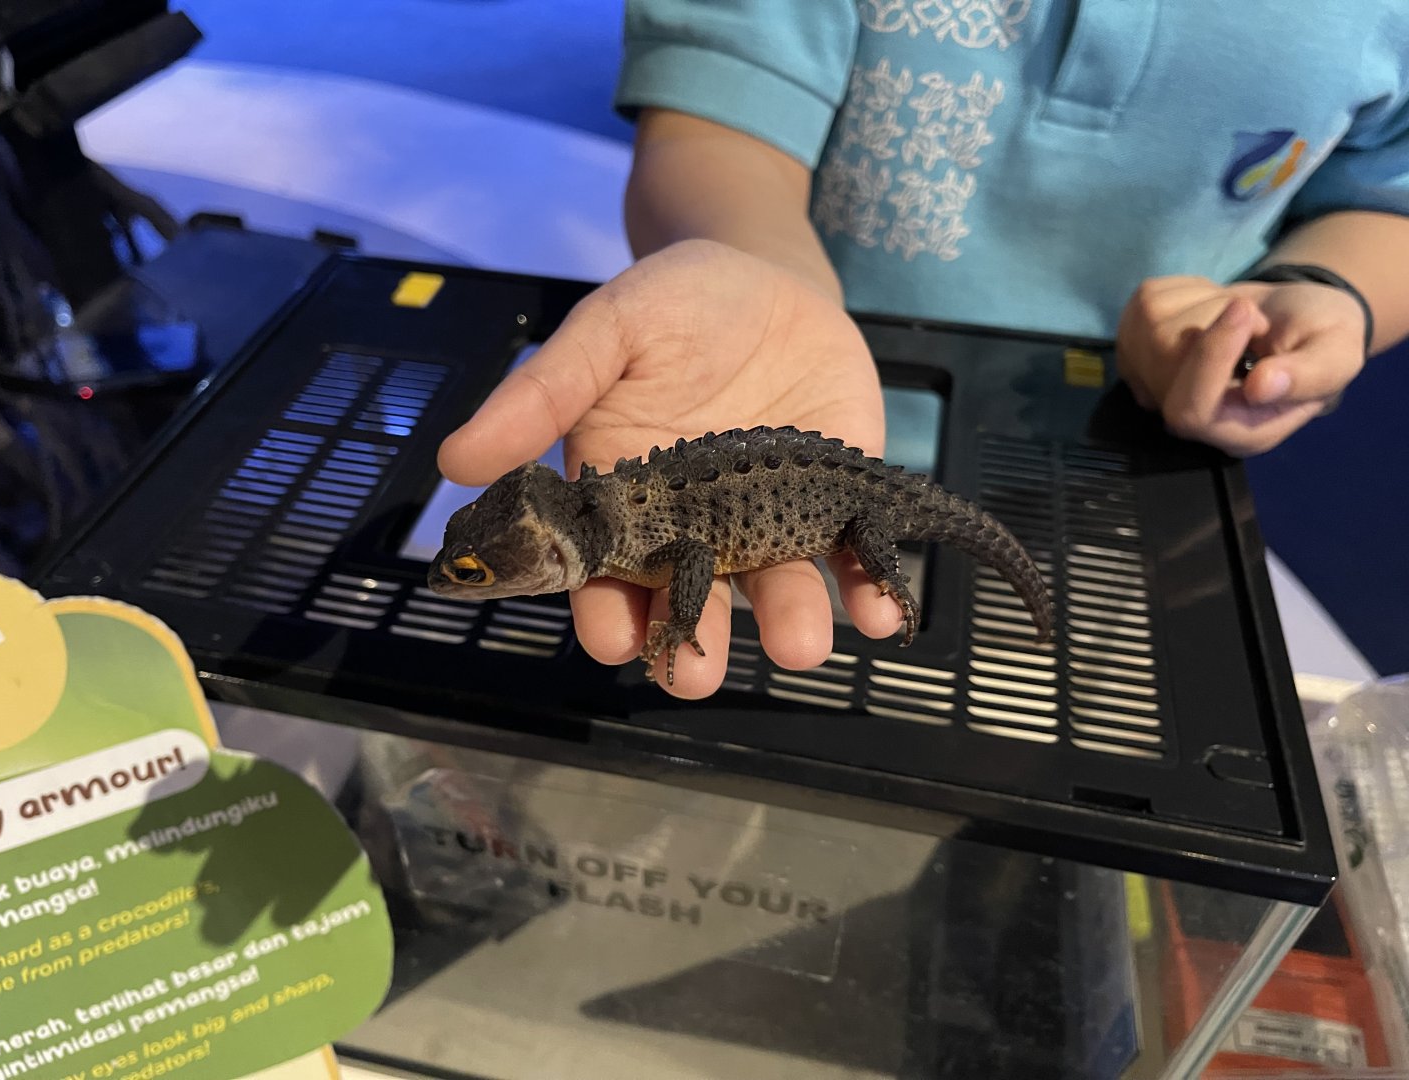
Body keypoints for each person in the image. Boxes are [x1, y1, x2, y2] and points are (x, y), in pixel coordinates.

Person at [439, 1, 1409, 699]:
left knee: (939, 616)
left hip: (1118, 468)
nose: (458, 581)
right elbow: (713, 109)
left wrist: (1334, 295)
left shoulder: (642, 537)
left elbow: (1389, 189)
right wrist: (748, 264)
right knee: (842, 634)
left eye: (476, 573)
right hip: (827, 392)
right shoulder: (616, 526)